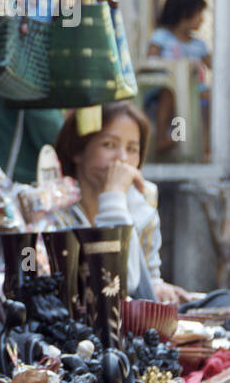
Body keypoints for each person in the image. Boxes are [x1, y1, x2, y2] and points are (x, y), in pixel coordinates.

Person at [54, 103, 192, 305]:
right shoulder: (53, 207)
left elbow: (145, 277)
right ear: (78, 150)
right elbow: (110, 284)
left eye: (132, 148)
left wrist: (157, 286)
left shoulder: (143, 200)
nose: (122, 159)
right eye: (109, 144)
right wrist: (113, 196)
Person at [146, 0, 211, 158]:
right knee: (171, 94)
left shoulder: (199, 44)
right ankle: (164, 139)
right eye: (199, 14)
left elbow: (215, 65)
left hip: (194, 88)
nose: (202, 20)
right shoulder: (161, 37)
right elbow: (151, 59)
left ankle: (206, 146)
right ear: (184, 14)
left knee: (212, 97)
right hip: (165, 86)